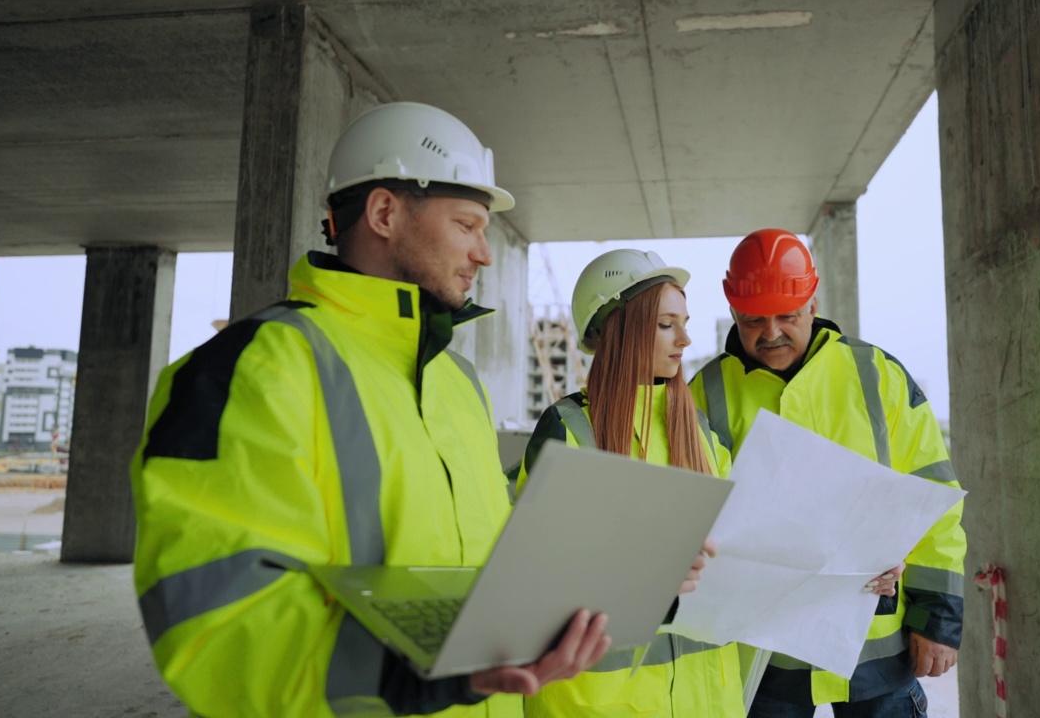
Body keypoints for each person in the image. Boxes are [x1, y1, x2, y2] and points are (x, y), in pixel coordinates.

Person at [129, 102, 612, 717]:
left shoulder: (455, 379)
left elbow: (485, 562)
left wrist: (614, 568)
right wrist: (421, 676)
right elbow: (214, 619)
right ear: (385, 212)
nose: (484, 254)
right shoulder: (254, 367)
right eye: (467, 225)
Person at [690, 229, 967, 718]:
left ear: (812, 304)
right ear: (733, 311)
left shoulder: (877, 374)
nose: (771, 332)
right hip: (763, 653)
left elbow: (934, 496)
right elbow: (693, 515)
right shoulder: (705, 393)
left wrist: (937, 621)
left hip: (876, 651)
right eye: (754, 319)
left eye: (787, 316)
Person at [512, 248, 746, 718]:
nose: (685, 339)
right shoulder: (570, 429)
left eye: (684, 322)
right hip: (599, 704)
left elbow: (741, 544)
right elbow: (531, 579)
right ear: (618, 329)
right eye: (666, 324)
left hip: (706, 702)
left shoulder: (701, 431)